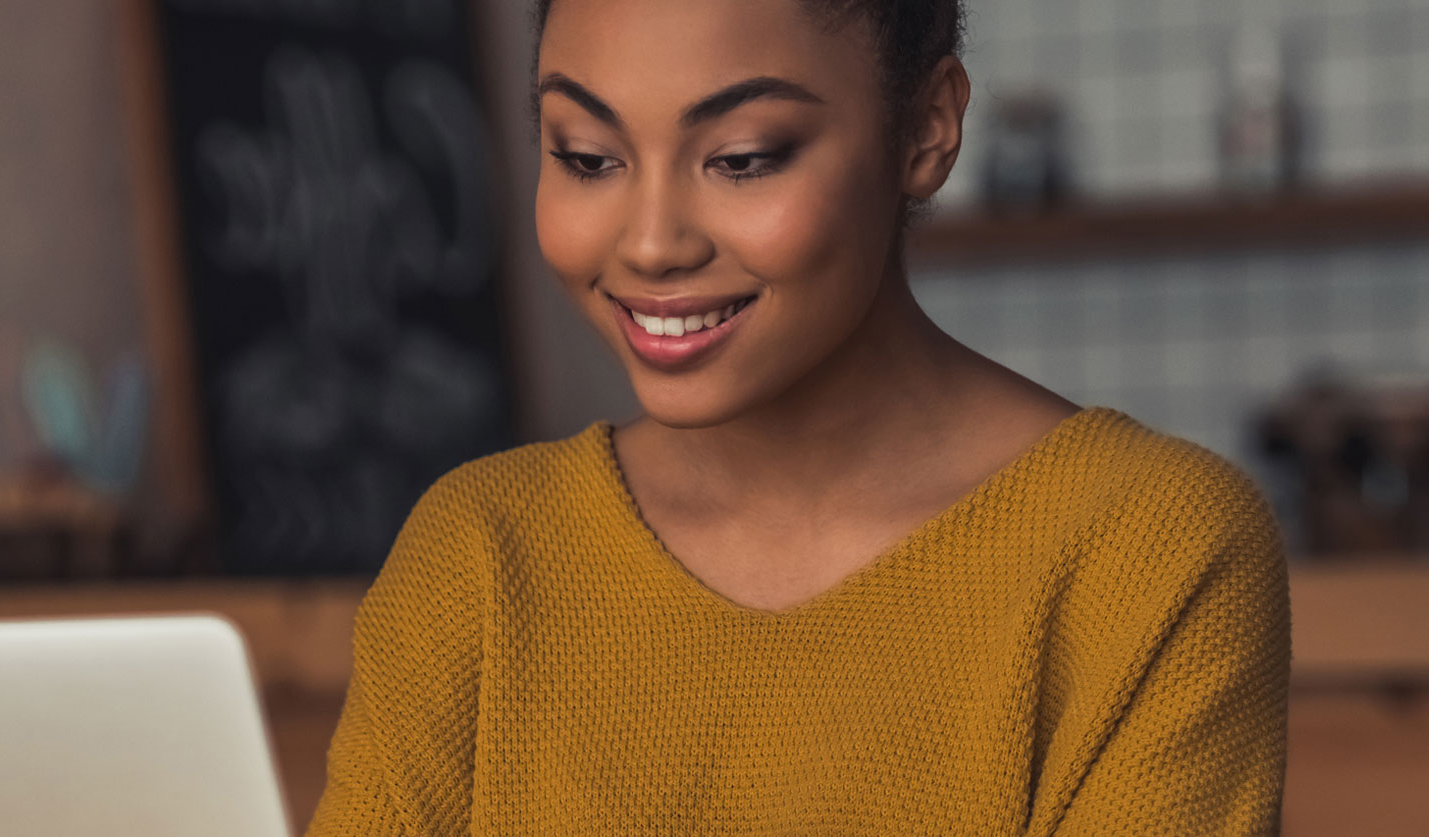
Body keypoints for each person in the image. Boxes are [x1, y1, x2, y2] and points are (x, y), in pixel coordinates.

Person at [304, 0, 1291, 834]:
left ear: (926, 129)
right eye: (588, 156)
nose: (649, 243)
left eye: (741, 158)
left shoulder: (1149, 551)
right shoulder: (474, 556)